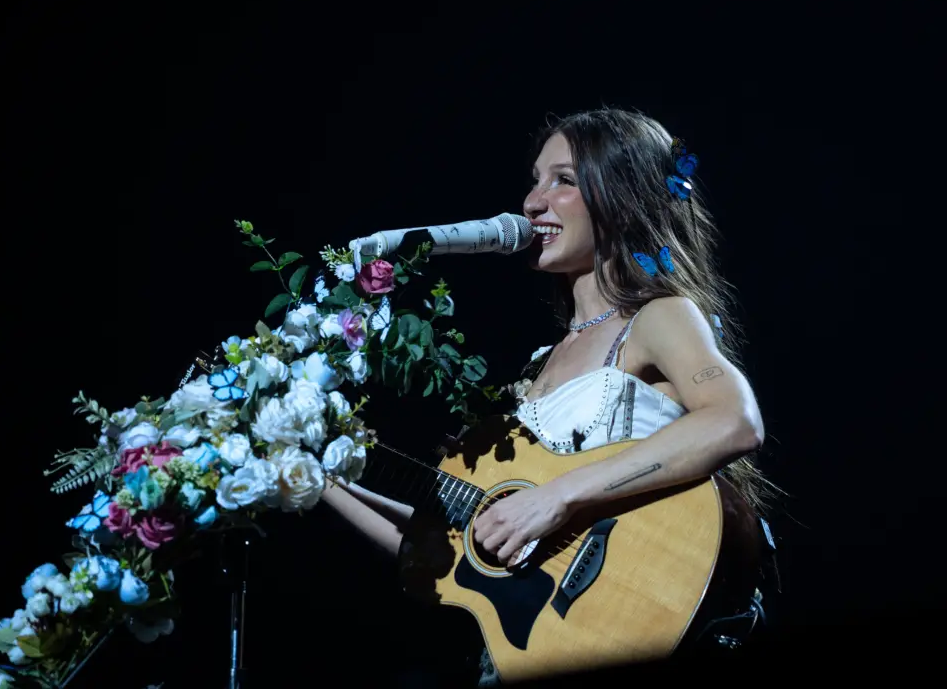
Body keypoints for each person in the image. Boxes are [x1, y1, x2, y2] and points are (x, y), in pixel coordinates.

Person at [320, 107, 775, 684]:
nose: (533, 202)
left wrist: (556, 497)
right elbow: (453, 551)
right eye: (535, 180)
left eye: (562, 180)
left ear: (622, 196)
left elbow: (734, 420)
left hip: (644, 613)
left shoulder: (659, 318)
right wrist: (312, 477)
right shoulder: (539, 368)